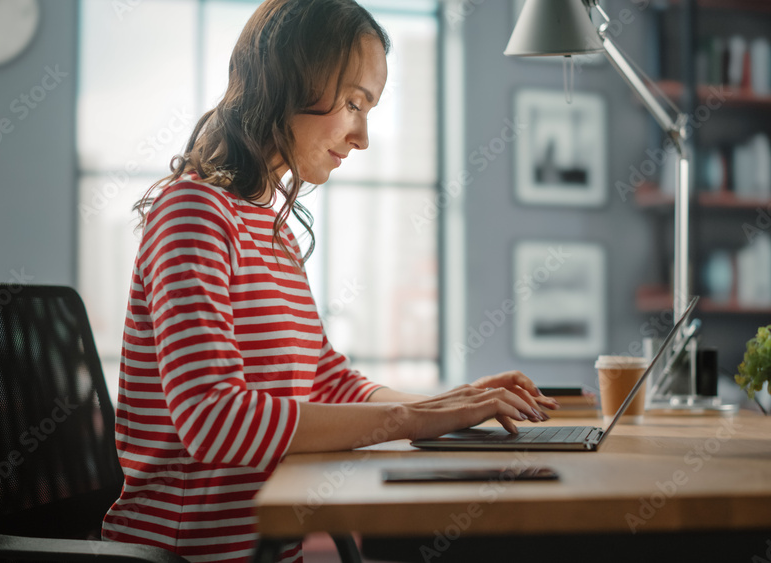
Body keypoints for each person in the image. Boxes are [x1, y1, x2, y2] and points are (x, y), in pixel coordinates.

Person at [101, 1, 557, 561]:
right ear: (287, 79)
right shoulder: (193, 212)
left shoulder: (273, 231)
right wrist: (413, 417)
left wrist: (447, 406)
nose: (361, 136)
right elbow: (213, 420)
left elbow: (325, 377)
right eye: (351, 103)